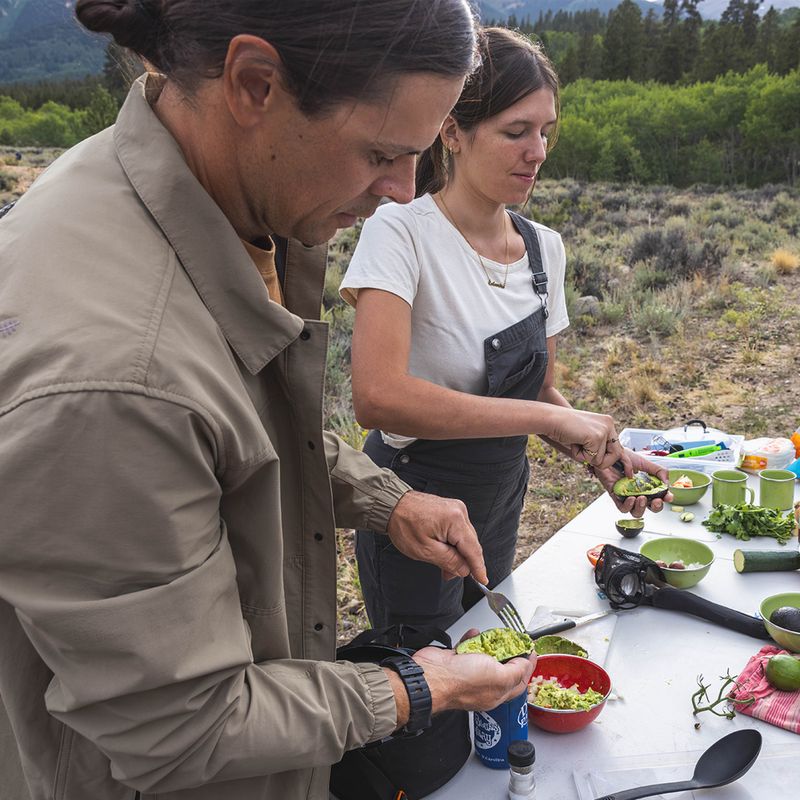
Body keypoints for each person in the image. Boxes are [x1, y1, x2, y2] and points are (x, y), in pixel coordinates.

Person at [0, 4, 537, 800]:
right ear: (254, 84)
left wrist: (388, 499)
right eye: (384, 153)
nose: (398, 194)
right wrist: (421, 688)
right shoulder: (116, 383)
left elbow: (238, 428)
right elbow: (182, 725)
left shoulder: (216, 200)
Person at [340, 27, 669, 631]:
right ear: (454, 132)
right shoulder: (400, 233)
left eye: (546, 131)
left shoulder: (545, 249)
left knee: (483, 642)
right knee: (423, 664)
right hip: (415, 500)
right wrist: (547, 419)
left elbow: (536, 389)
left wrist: (605, 457)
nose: (538, 151)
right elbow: (378, 397)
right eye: (516, 131)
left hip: (498, 495)